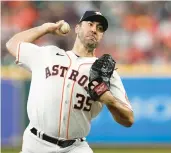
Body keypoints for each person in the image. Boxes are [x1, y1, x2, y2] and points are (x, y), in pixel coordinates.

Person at [6, 10, 134, 153]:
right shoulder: (48, 54)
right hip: (35, 143)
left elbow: (128, 119)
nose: (94, 30)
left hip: (75, 147)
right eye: (90, 24)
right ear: (77, 28)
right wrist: (45, 28)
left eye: (100, 28)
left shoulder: (106, 73)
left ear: (102, 36)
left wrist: (111, 102)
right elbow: (12, 44)